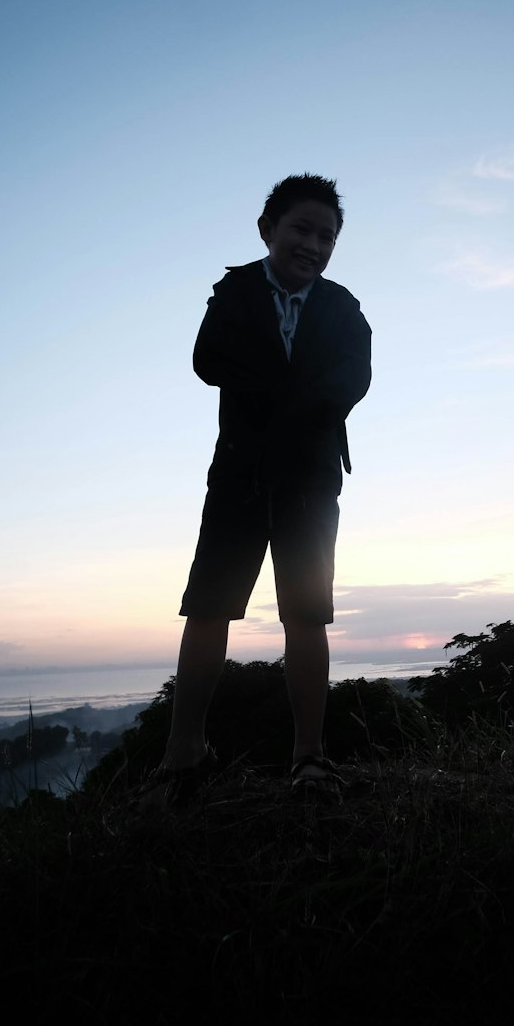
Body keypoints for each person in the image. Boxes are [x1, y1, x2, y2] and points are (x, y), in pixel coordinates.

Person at [145, 173, 371, 805]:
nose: (314, 244)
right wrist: (297, 393)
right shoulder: (235, 291)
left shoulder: (343, 307)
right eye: (302, 228)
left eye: (327, 236)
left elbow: (351, 379)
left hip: (309, 480)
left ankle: (310, 759)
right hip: (239, 476)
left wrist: (283, 398)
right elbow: (208, 358)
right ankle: (183, 754)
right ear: (268, 229)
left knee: (306, 615)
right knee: (209, 609)